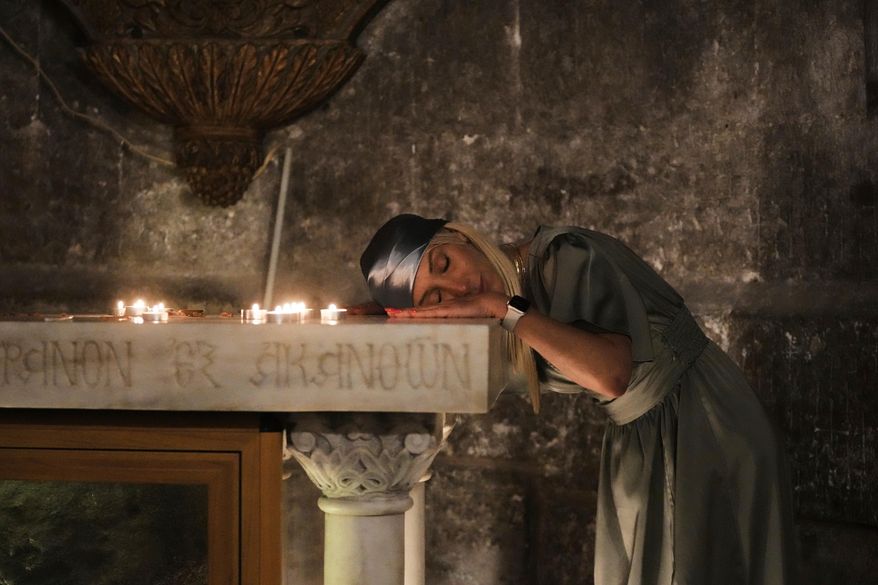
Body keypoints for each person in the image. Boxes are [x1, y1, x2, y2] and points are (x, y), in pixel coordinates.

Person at [358, 213, 796, 585]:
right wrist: (379, 313)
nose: (458, 289)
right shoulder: (490, 307)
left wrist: (506, 310)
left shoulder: (562, 258)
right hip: (643, 439)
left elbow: (613, 375)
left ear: (459, 236)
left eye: (445, 263)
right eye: (436, 299)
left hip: (705, 427)